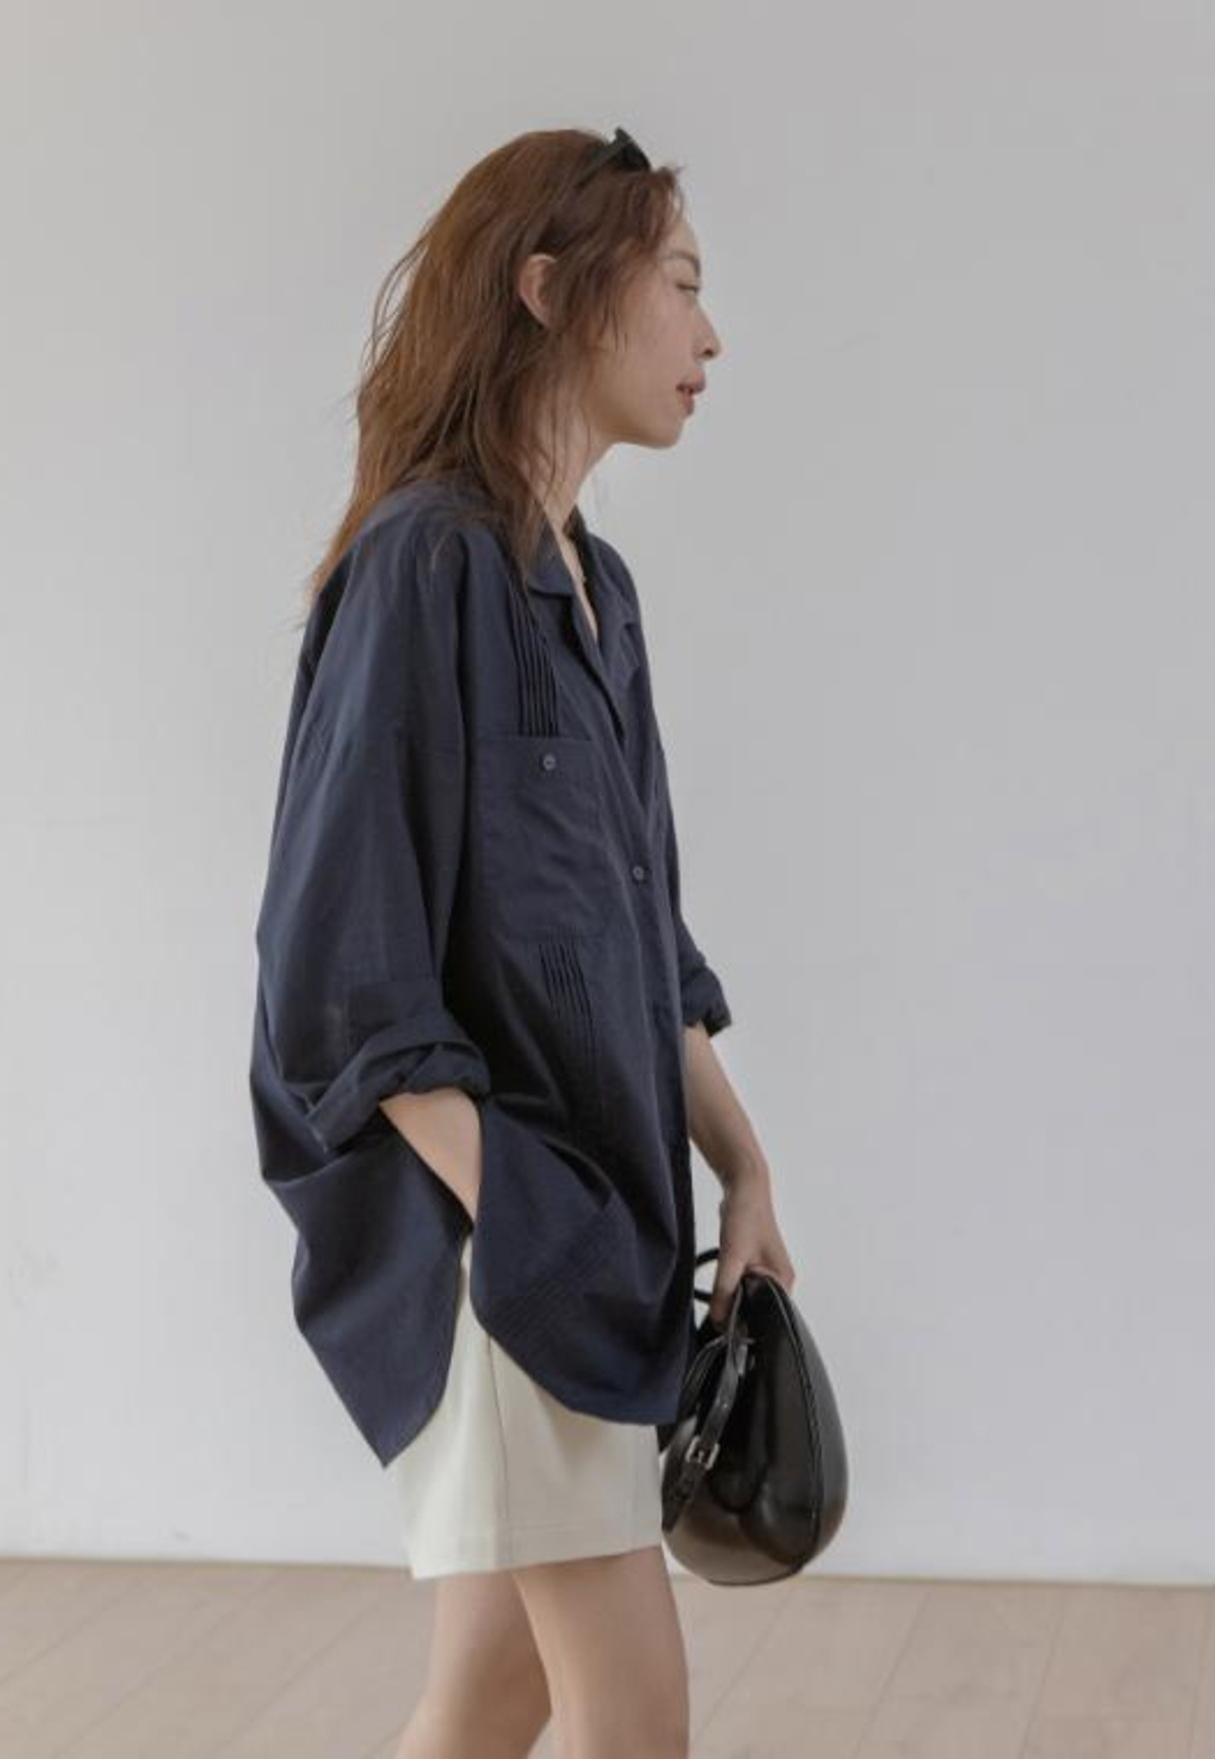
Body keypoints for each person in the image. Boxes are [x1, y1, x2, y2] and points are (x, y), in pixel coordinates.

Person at [248, 125, 796, 1759]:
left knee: (491, 1694)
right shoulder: (426, 561)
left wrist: (745, 1170)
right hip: (507, 1257)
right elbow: (338, 964)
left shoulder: (596, 589)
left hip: (596, 1238)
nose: (709, 335)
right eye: (680, 284)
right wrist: (525, 1214)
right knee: (634, 1710)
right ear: (551, 291)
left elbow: (644, 942)